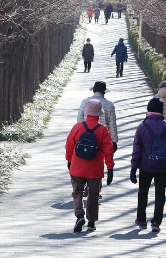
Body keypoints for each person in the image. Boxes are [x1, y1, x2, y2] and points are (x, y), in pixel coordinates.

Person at [66, 99, 115, 232]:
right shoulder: (103, 130)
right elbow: (108, 150)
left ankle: (79, 215)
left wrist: (69, 160)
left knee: (77, 193)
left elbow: (69, 145)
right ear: (100, 114)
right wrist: (110, 168)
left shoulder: (78, 127)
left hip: (77, 167)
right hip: (95, 169)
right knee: (93, 195)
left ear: (86, 112)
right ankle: (91, 222)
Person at [130, 97, 166, 233]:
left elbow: (137, 149)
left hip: (146, 166)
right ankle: (156, 221)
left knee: (143, 192)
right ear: (162, 111)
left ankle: (141, 219)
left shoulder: (142, 127)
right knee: (160, 194)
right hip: (163, 166)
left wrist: (134, 168)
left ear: (148, 110)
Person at [77, 81, 118, 152]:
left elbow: (79, 118)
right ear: (104, 92)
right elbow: (112, 124)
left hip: (86, 136)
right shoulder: (109, 105)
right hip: (103, 137)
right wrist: (114, 141)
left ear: (93, 90)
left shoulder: (85, 101)